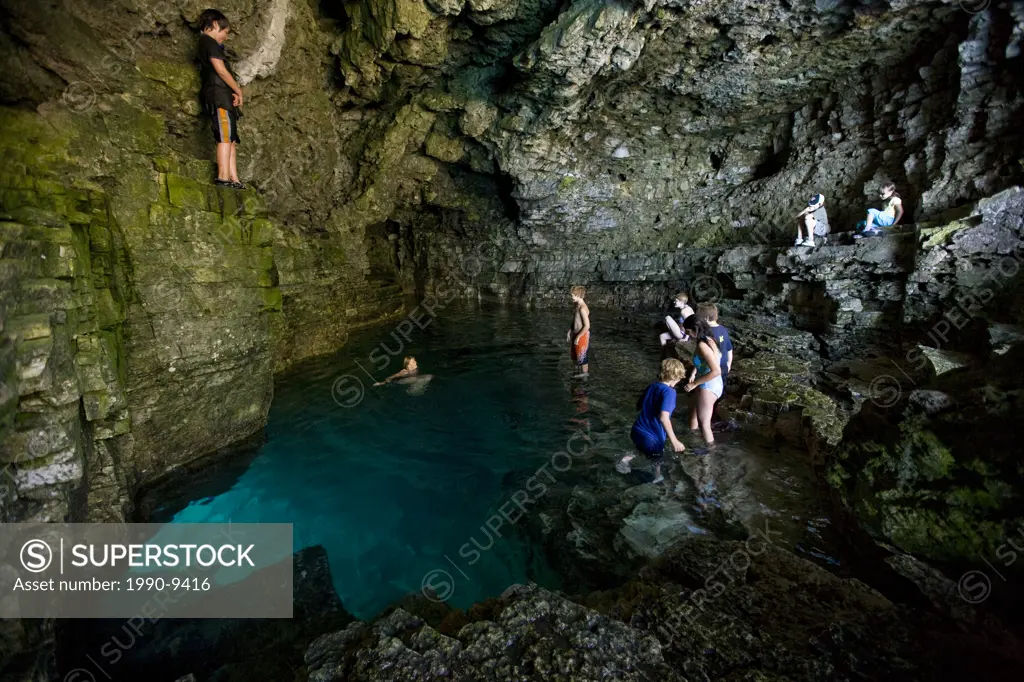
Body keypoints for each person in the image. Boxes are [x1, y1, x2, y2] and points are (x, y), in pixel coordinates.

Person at [615, 358, 687, 484]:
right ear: (675, 376)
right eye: (680, 377)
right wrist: (674, 441)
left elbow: (639, 405)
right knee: (657, 458)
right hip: (652, 436)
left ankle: (625, 460)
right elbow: (664, 418)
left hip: (637, 430)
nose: (680, 380)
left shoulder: (652, 386)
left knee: (641, 449)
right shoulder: (669, 392)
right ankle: (657, 478)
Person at [196, 9, 245, 189]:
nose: (226, 37)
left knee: (231, 138)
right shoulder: (208, 42)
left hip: (223, 95)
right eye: (225, 32)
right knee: (225, 136)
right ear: (215, 25)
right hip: (218, 96)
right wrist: (237, 90)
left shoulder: (209, 44)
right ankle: (223, 177)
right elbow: (221, 70)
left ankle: (234, 178)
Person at [681, 315, 722, 445]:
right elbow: (703, 363)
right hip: (709, 382)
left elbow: (716, 371)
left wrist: (694, 384)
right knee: (692, 413)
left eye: (688, 332)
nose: (687, 335)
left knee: (705, 424)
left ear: (695, 329)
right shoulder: (710, 339)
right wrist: (694, 373)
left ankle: (709, 457)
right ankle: (693, 442)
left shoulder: (703, 345)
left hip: (708, 385)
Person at [697, 303, 733, 393]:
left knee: (709, 389)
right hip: (724, 366)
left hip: (711, 368)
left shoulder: (706, 333)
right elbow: (729, 348)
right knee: (721, 387)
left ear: (705, 318)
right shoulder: (723, 329)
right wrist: (729, 363)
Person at [567, 286, 591, 375]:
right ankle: (576, 373)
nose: (571, 297)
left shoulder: (582, 308)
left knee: (582, 358)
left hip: (582, 335)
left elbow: (587, 326)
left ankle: (584, 377)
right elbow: (575, 320)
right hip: (575, 333)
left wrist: (578, 337)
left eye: (572, 295)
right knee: (574, 356)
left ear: (579, 295)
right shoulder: (576, 305)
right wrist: (570, 331)